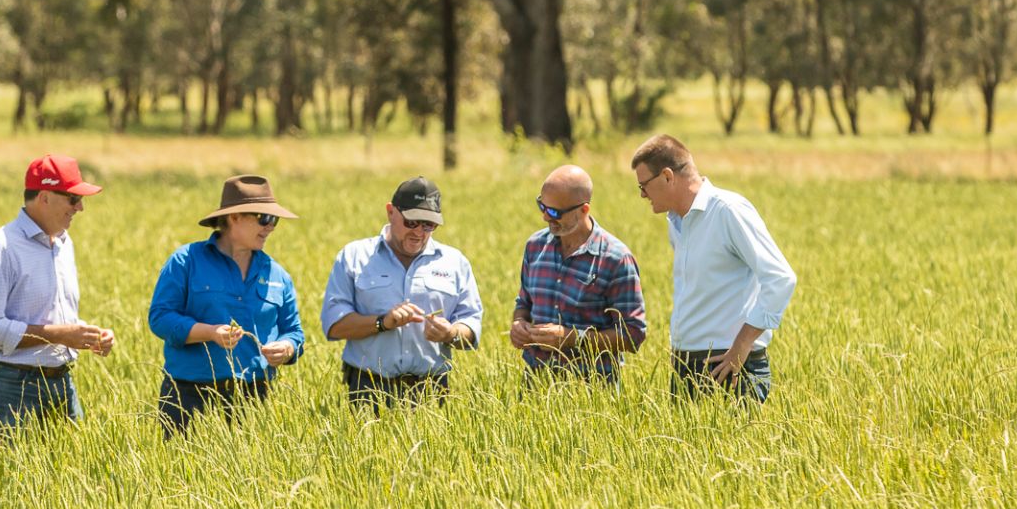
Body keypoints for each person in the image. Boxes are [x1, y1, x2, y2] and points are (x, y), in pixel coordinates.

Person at [631, 134, 796, 401]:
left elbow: (780, 278)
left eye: (643, 186)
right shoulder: (676, 222)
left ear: (667, 176)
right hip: (686, 367)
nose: (642, 195)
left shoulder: (728, 211)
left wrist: (742, 346)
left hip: (730, 367)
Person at [0, 155, 116, 441]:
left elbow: (51, 317)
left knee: (69, 477)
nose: (81, 208)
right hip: (8, 385)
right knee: (11, 481)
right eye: (73, 199)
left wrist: (85, 335)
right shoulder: (0, 247)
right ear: (45, 197)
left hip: (61, 381)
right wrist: (60, 335)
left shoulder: (63, 243)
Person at [147, 174, 305, 436]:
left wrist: (288, 348)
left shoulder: (278, 275)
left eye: (274, 220)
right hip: (188, 395)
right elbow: (160, 318)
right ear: (234, 217)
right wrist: (209, 332)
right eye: (264, 218)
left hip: (253, 397)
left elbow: (294, 331)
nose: (270, 227)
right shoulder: (186, 261)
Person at [320, 177, 484, 410]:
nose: (419, 232)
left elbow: (471, 324)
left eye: (429, 225)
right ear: (390, 212)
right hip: (368, 388)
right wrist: (382, 323)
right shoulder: (354, 257)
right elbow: (334, 326)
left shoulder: (455, 262)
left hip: (432, 390)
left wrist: (451, 333)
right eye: (412, 222)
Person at [509, 164, 647, 382]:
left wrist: (571, 338)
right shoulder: (535, 246)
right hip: (534, 382)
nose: (545, 217)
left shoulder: (615, 259)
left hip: (593, 388)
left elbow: (633, 334)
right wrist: (518, 323)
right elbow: (524, 303)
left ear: (584, 210)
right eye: (542, 206)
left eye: (554, 212)